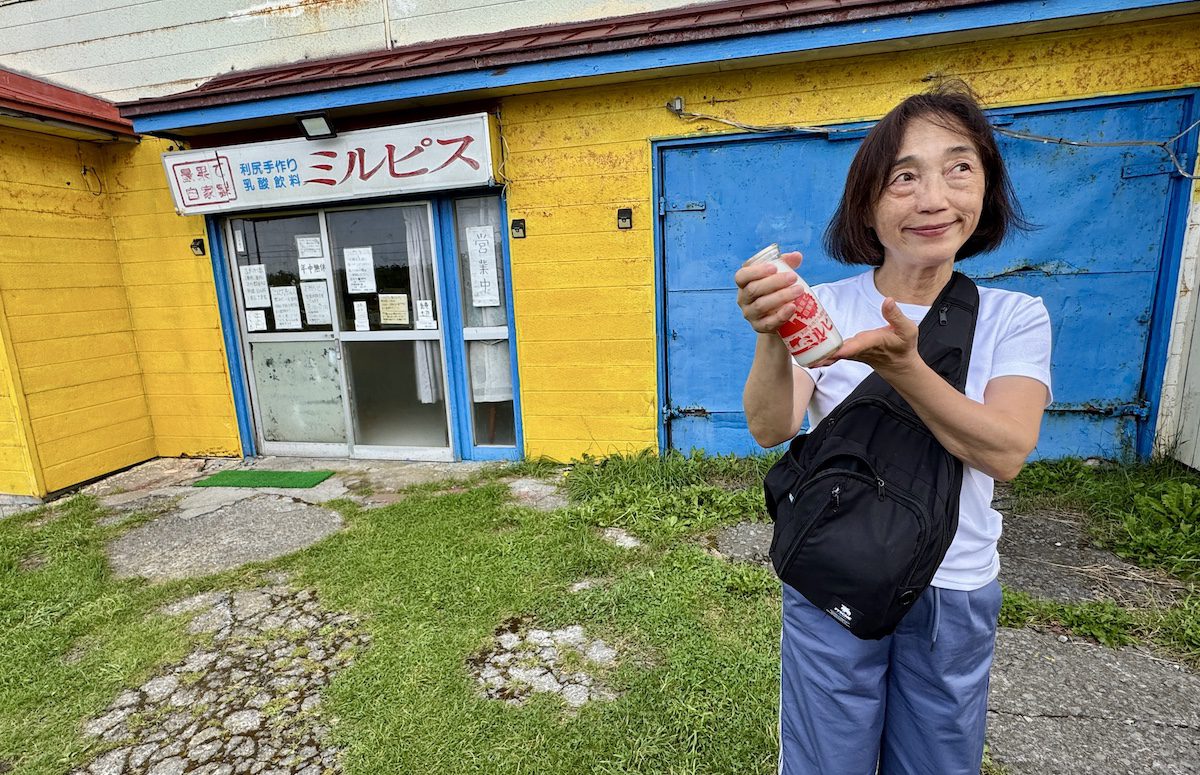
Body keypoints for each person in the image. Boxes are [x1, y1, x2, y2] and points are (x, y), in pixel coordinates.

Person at [734, 81, 1053, 775]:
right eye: (904, 176)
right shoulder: (822, 306)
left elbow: (1005, 450)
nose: (934, 198)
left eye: (958, 167)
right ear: (868, 205)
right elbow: (771, 424)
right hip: (833, 578)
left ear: (986, 190)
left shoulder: (1014, 316)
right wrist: (770, 333)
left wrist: (905, 366)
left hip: (953, 588)